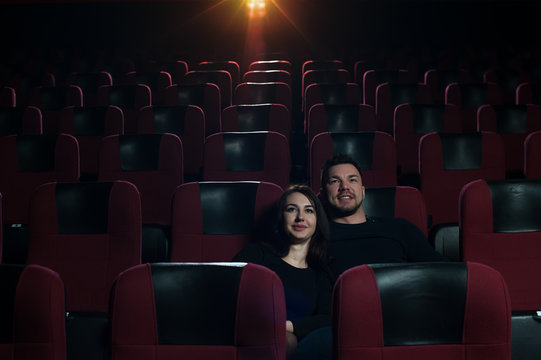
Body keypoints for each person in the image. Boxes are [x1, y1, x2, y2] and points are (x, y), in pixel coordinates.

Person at [232, 184, 333, 360]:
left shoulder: (320, 272)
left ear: (318, 221)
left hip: (300, 344)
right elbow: (228, 291)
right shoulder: (256, 254)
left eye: (309, 211)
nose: (300, 217)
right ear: (281, 217)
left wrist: (288, 327)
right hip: (251, 335)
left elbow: (326, 318)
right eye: (292, 209)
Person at [320, 153, 445, 277]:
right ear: (323, 194)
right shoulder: (317, 238)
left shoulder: (400, 228)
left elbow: (441, 273)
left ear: (363, 192)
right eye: (335, 181)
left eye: (352, 180)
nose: (345, 187)